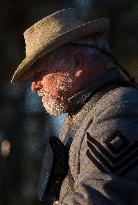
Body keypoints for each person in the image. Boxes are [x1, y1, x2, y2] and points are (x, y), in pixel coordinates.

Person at [11, 8, 138, 205]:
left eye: (39, 73)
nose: (34, 85)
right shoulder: (83, 112)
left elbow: (95, 199)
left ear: (77, 62)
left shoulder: (119, 109)